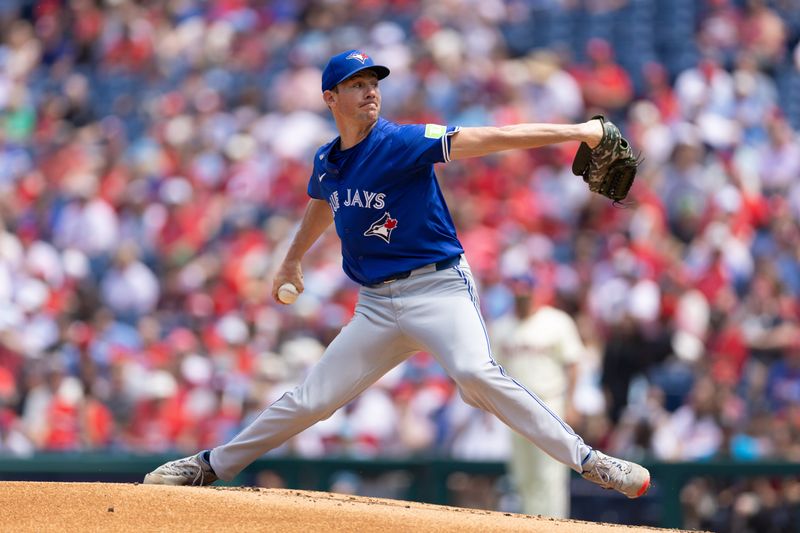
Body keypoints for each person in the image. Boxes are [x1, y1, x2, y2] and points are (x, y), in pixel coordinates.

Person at [143, 49, 651, 499]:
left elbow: (489, 137)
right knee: (310, 399)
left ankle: (592, 462)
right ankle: (209, 466)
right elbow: (323, 201)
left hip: (438, 288)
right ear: (330, 97)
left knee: (475, 375)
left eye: (374, 83)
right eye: (357, 84)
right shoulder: (328, 160)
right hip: (375, 307)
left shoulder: (401, 142)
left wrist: (579, 131)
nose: (370, 92)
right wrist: (291, 258)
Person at [491, 276, 584, 517]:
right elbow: (492, 371)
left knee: (550, 474)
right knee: (522, 474)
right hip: (515, 407)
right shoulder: (501, 327)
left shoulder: (556, 321)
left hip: (549, 402)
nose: (522, 299)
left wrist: (571, 402)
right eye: (518, 295)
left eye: (526, 294)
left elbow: (573, 363)